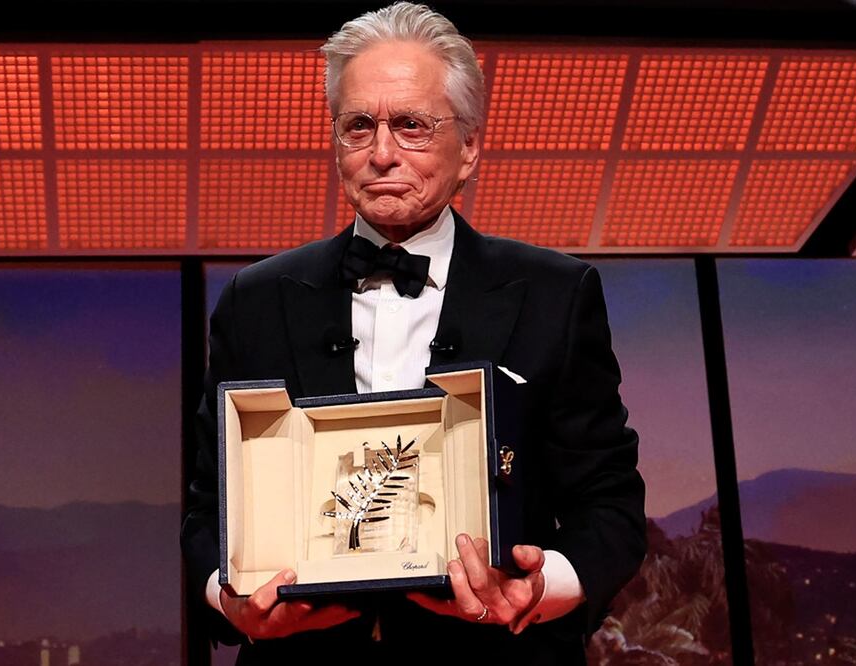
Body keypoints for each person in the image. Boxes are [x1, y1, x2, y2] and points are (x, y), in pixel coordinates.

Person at [180, 3, 646, 664]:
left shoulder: (554, 294)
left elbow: (610, 508)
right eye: (358, 126)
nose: (381, 154)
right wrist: (231, 602)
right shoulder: (254, 301)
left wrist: (538, 588)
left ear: (470, 147)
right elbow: (208, 513)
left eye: (411, 125)